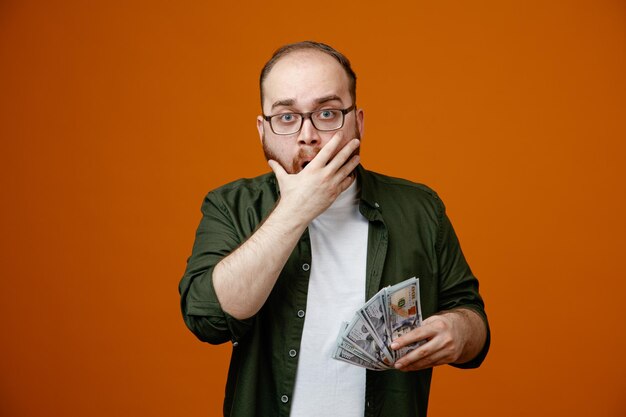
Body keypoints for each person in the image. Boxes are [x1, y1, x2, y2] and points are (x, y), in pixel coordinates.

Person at [179, 41, 490, 417]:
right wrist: (294, 210)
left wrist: (459, 331)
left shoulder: (420, 207)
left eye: (327, 113)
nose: (308, 135)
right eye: (287, 117)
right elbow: (208, 318)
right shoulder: (230, 205)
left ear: (358, 122)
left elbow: (472, 319)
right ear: (263, 130)